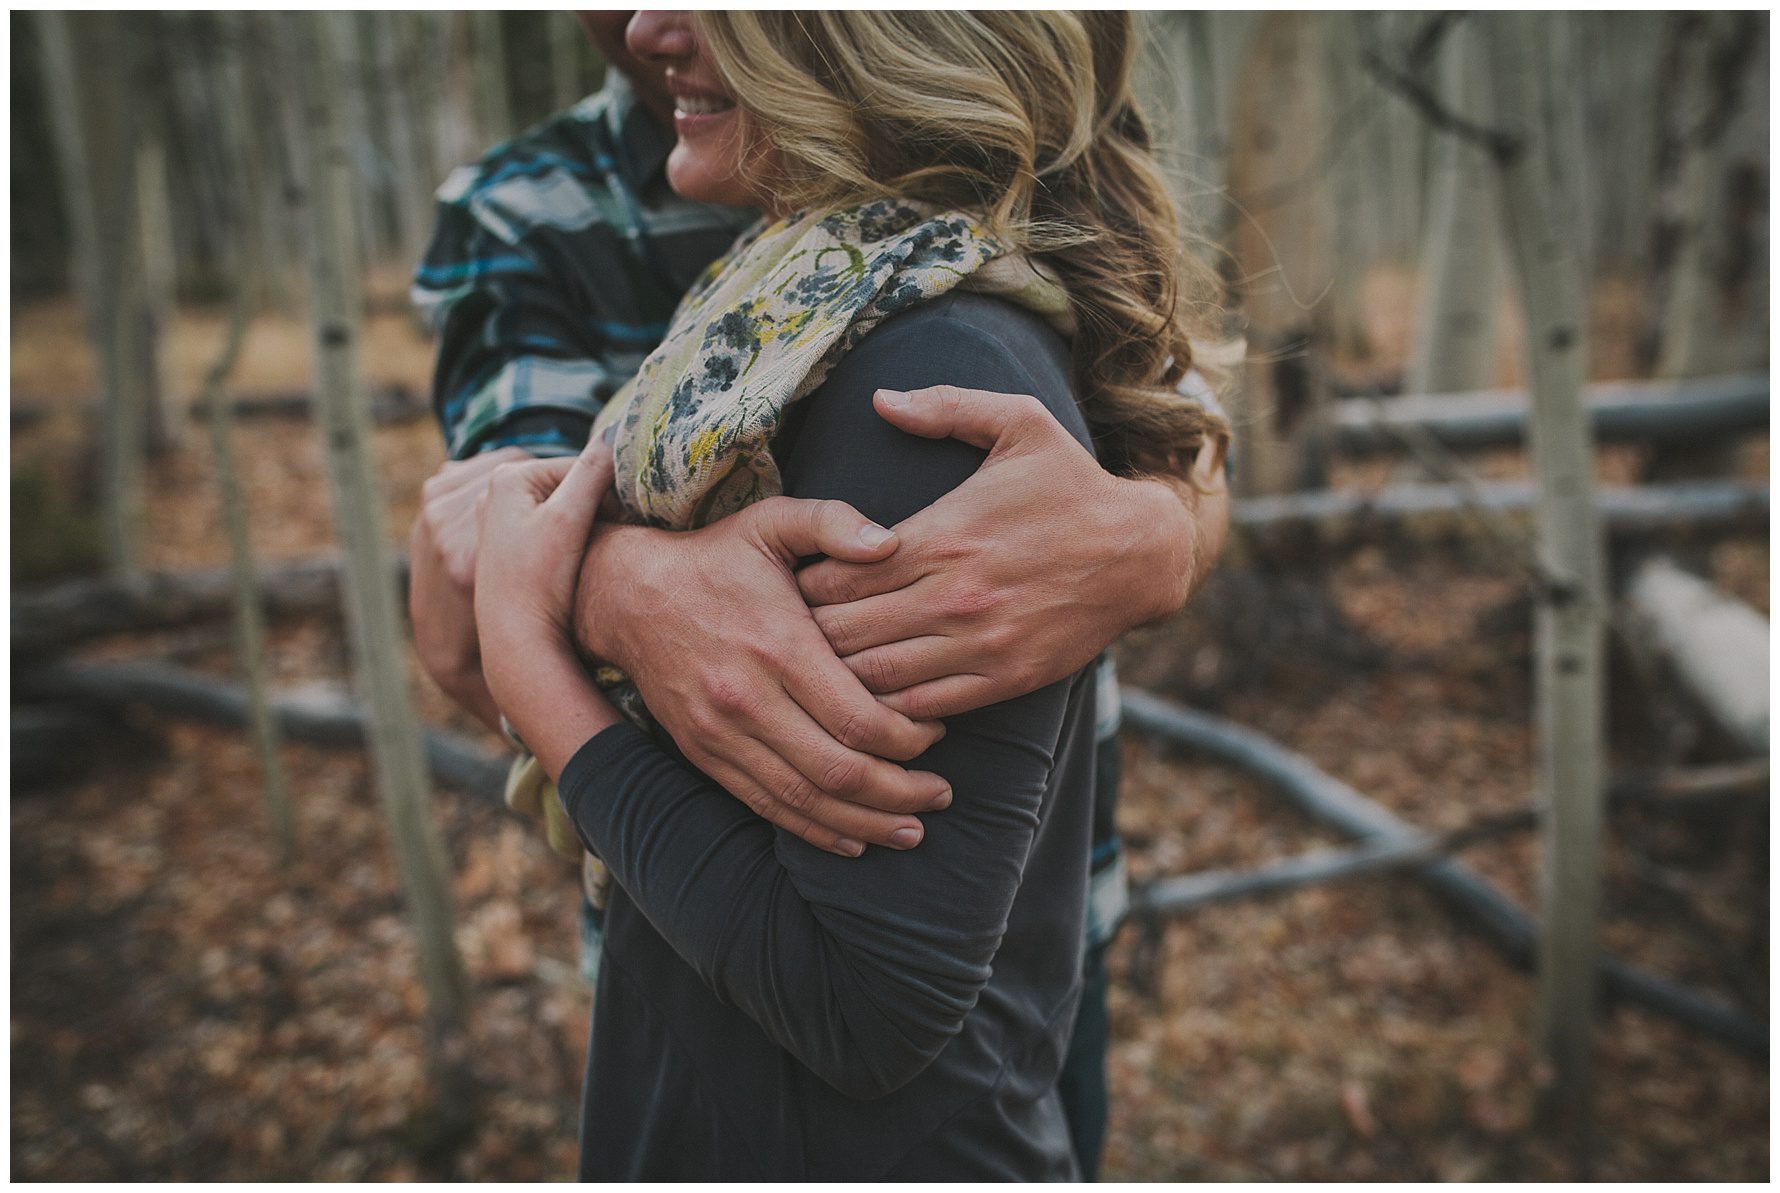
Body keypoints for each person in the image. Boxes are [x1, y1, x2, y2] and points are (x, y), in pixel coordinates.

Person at [409, 11, 1229, 1178]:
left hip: (940, 1005)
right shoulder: (560, 211)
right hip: (708, 947)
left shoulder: (926, 336)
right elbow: (485, 542)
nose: (648, 21)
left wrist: (1154, 535)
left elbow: (1174, 436)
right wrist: (599, 593)